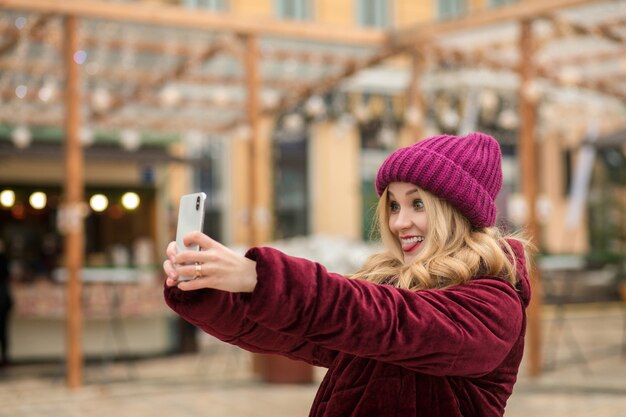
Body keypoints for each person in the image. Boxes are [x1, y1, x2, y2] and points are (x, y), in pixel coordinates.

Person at [162, 132, 532, 417]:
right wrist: (206, 289)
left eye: (417, 203)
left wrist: (259, 276)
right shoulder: (387, 289)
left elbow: (389, 320)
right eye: (393, 205)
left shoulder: (495, 303)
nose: (400, 221)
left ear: (456, 211)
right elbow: (290, 334)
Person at [0, 239, 13, 369]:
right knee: (3, 331)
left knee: (3, 330)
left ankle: (4, 357)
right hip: (3, 300)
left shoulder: (3, 259)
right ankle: (5, 357)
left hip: (2, 301)